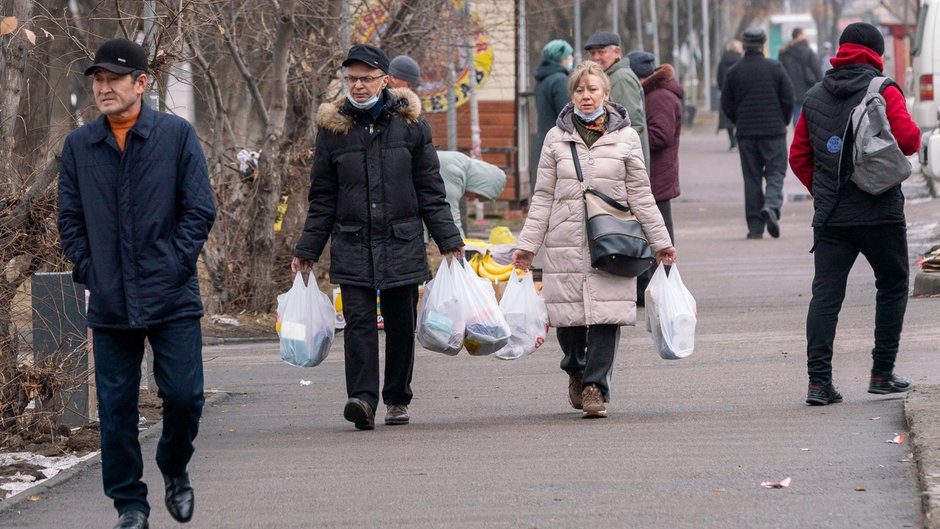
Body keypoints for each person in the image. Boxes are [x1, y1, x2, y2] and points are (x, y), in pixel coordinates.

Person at [58, 38, 216, 529]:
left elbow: (199, 209)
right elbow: (70, 220)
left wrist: (172, 262)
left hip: (170, 294)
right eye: (98, 81)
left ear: (141, 83)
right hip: (109, 300)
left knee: (186, 397)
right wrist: (90, 268)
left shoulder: (175, 136)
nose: (103, 88)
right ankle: (130, 504)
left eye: (114, 79)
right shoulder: (81, 145)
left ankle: (174, 466)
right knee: (117, 409)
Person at [292, 44, 464, 430]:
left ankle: (397, 398)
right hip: (352, 241)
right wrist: (307, 249)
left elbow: (430, 190)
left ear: (385, 80)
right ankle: (363, 399)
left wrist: (449, 241)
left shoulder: (411, 125)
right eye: (351, 78)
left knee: (401, 323)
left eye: (366, 78)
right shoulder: (333, 130)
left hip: (401, 241)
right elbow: (322, 198)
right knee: (358, 324)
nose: (358, 85)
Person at [511, 61, 676, 419]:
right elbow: (542, 195)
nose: (586, 97)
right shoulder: (557, 138)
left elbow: (641, 196)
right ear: (572, 96)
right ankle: (575, 368)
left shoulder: (627, 138)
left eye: (593, 90)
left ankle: (594, 387)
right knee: (567, 317)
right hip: (565, 240)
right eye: (580, 91)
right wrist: (527, 245)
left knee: (606, 315)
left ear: (607, 93)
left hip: (613, 240)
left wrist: (661, 242)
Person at [788, 22, 921, 406]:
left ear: (842, 50)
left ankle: (818, 383)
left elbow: (798, 156)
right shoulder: (884, 90)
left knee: (826, 297)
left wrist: (825, 190)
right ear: (876, 53)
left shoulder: (814, 97)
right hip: (881, 211)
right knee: (893, 284)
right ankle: (881, 374)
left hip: (832, 217)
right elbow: (910, 141)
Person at [720, 27, 794, 240]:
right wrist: (783, 120)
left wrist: (739, 121)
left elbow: (727, 104)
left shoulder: (734, 71)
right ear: (763, 45)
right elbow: (788, 98)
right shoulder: (775, 67)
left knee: (751, 179)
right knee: (776, 172)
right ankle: (771, 205)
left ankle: (755, 227)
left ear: (743, 46)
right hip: (773, 132)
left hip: (746, 134)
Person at [627, 51, 683, 304]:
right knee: (657, 227)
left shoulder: (658, 97)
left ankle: (660, 282)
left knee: (658, 230)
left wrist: (628, 138)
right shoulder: (657, 93)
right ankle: (656, 282)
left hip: (657, 173)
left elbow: (661, 135)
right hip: (658, 172)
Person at [584, 31, 650, 169]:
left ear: (617, 52)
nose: (596, 57)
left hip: (624, 164)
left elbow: (633, 124)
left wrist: (618, 158)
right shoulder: (610, 77)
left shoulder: (620, 79)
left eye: (601, 52)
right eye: (592, 53)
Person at [532, 39, 574, 195]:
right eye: (569, 55)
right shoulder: (560, 80)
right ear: (561, 58)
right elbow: (566, 116)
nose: (571, 59)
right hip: (560, 142)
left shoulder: (542, 80)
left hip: (545, 138)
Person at [436, 150, 507, 237]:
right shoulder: (454, 171)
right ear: (478, 184)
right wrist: (461, 246)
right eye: (477, 195)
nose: (472, 199)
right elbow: (451, 218)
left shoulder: (460, 162)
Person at [779, 27, 822, 125]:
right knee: (809, 112)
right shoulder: (807, 50)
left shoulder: (784, 52)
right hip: (807, 86)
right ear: (799, 35)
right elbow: (816, 69)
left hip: (790, 86)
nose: (805, 36)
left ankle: (796, 135)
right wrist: (822, 83)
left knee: (796, 112)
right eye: (804, 34)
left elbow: (780, 70)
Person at [717, 40, 743, 151]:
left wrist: (722, 88)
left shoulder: (723, 61)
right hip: (739, 92)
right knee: (740, 117)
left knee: (728, 117)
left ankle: (732, 142)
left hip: (726, 91)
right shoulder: (740, 60)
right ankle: (737, 141)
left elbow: (718, 76)